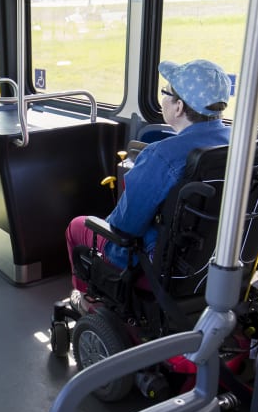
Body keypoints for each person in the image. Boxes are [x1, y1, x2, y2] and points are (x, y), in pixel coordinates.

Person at [66, 59, 232, 295]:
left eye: (165, 92)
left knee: (78, 226)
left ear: (179, 107)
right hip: (213, 265)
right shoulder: (239, 144)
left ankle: (87, 302)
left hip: (158, 268)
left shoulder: (162, 155)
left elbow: (124, 227)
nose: (162, 97)